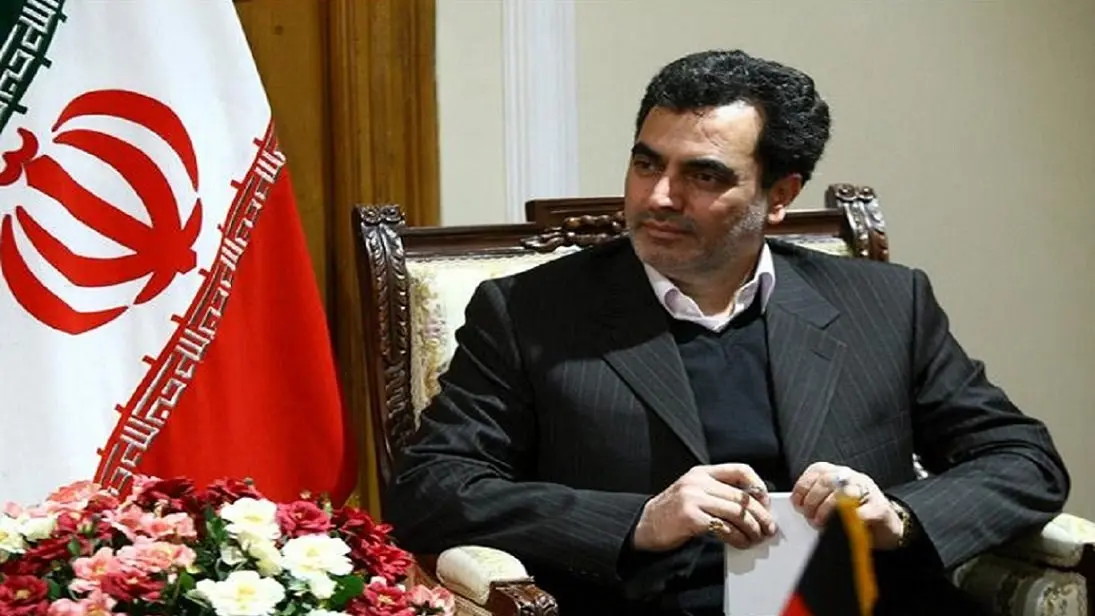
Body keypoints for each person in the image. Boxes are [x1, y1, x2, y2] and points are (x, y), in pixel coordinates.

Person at [383, 49, 1069, 615]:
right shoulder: (531, 313)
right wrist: (638, 520)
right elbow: (432, 490)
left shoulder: (884, 303)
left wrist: (896, 517)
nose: (657, 197)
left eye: (703, 176)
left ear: (779, 196)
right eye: (647, 163)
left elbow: (1023, 460)